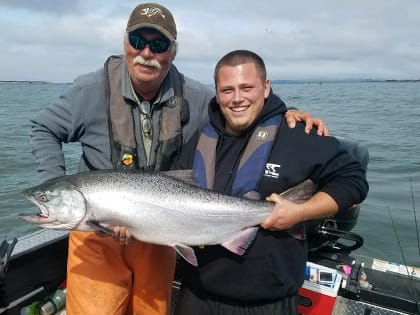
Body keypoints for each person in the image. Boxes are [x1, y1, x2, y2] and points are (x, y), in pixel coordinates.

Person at [28, 4, 328, 315]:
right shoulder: (89, 91)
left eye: (159, 45)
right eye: (137, 41)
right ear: (125, 44)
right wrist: (53, 184)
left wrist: (284, 114)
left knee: (151, 311)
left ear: (173, 51)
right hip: (95, 235)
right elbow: (42, 126)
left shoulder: (196, 97)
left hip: (163, 227)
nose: (147, 52)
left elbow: (240, 108)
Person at [171, 50, 369, 315]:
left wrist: (300, 211)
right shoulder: (197, 142)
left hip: (268, 302)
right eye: (227, 90)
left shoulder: (299, 135)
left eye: (247, 87)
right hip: (197, 297)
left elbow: (353, 179)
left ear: (266, 88)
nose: (237, 98)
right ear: (216, 94)